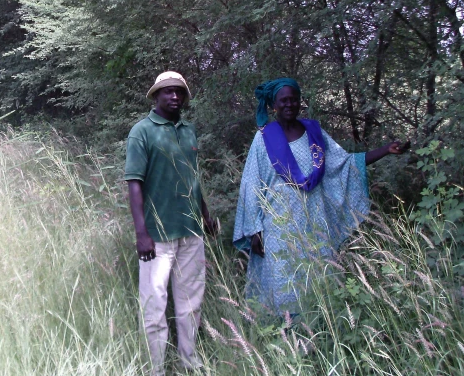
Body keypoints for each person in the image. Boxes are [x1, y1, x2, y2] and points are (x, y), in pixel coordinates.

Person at [233, 78, 408, 315]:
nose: (290, 104)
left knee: (319, 275)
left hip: (315, 221)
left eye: (294, 99)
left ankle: (322, 327)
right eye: (284, 100)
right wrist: (254, 229)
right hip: (278, 225)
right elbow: (251, 184)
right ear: (274, 105)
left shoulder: (314, 132)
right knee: (284, 280)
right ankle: (286, 334)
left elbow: (345, 164)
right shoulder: (263, 138)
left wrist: (386, 150)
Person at [125, 71, 218, 376]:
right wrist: (142, 233)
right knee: (154, 308)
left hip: (191, 232)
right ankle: (156, 369)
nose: (174, 96)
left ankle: (190, 362)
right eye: (167, 92)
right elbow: (134, 184)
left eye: (179, 92)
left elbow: (192, 178)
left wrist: (204, 214)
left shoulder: (189, 131)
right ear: (156, 96)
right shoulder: (142, 131)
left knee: (191, 306)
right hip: (157, 236)